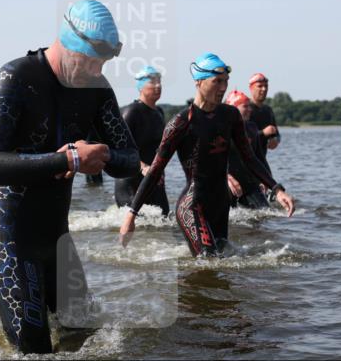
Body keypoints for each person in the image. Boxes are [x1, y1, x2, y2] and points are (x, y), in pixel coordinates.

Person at [0, 0, 139, 354]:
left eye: (105, 62)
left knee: (87, 341)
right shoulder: (15, 78)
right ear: (69, 43)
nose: (98, 70)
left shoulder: (96, 87)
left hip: (56, 239)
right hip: (10, 234)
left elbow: (130, 160)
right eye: (93, 59)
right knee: (34, 359)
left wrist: (103, 154)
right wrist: (65, 159)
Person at [120, 53, 294, 257]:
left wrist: (277, 189)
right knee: (208, 261)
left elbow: (249, 158)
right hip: (192, 205)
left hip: (221, 204)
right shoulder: (181, 123)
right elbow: (156, 170)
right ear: (199, 81)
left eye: (226, 82)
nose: (223, 88)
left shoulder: (230, 116)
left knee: (222, 267)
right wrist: (131, 214)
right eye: (217, 82)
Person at [115, 66, 169, 215]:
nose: (158, 85)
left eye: (159, 81)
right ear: (140, 86)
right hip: (130, 182)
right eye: (152, 82)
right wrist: (142, 166)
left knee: (164, 221)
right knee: (137, 228)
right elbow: (119, 149)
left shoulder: (159, 112)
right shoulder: (131, 112)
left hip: (154, 179)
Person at [224, 90, 270, 209]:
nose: (250, 109)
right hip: (227, 182)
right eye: (245, 106)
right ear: (233, 108)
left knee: (265, 213)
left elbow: (259, 158)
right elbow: (211, 160)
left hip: (249, 183)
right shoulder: (222, 129)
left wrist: (266, 179)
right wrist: (227, 177)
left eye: (250, 106)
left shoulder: (252, 128)